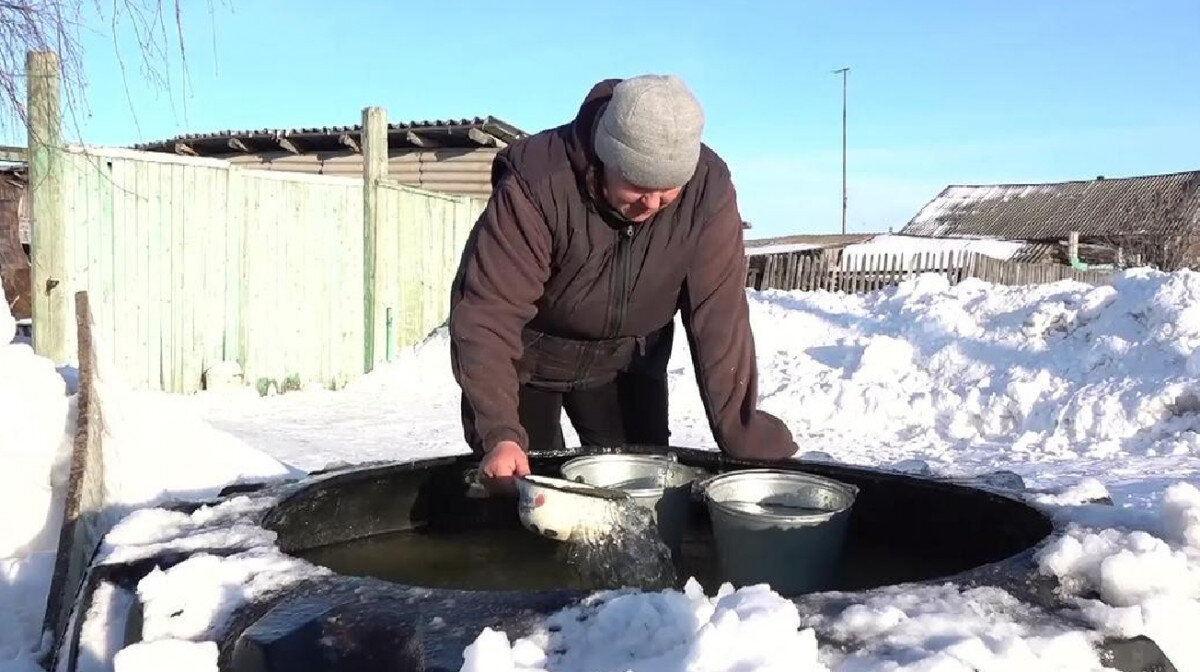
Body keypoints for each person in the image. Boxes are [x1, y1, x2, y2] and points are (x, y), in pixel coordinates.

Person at [449, 74, 797, 492]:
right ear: (605, 157)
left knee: (643, 490)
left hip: (628, 360)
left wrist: (744, 436)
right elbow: (489, 314)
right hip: (532, 360)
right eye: (637, 184)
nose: (650, 204)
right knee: (534, 490)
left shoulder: (708, 191)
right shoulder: (537, 183)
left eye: (668, 191)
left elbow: (720, 318)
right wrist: (500, 433)